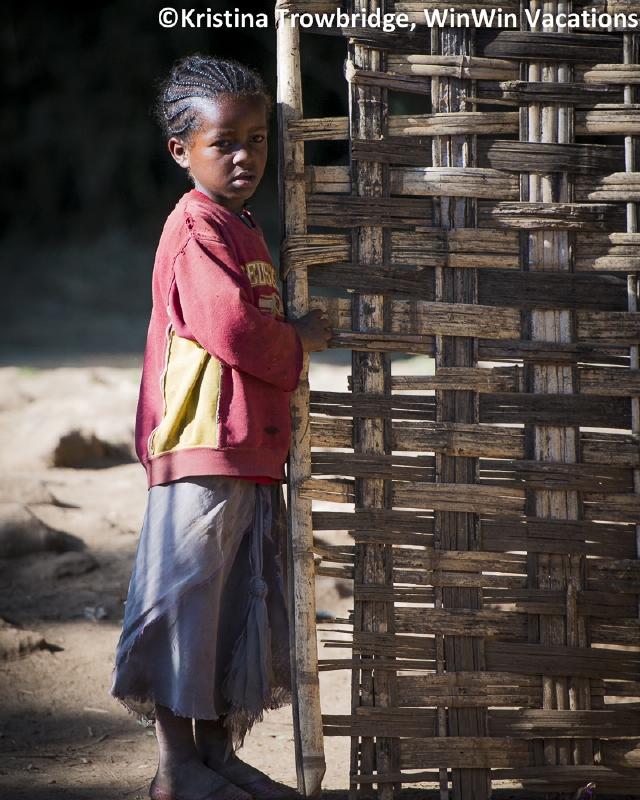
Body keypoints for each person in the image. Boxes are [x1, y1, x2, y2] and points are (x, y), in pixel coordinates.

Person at [109, 54, 331, 800]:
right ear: (181, 151)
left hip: (244, 449)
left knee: (230, 606)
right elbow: (233, 329)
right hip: (202, 447)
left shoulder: (241, 224)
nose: (245, 156)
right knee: (186, 608)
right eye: (224, 142)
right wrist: (299, 338)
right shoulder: (195, 226)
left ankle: (216, 755)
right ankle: (176, 768)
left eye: (257, 139)